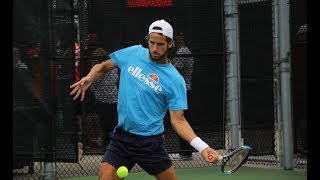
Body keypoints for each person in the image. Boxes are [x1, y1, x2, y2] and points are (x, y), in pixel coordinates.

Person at [70, 19, 220, 180]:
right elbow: (103, 66)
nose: (155, 49)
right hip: (122, 138)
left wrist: (203, 147)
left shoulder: (175, 80)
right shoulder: (133, 53)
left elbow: (179, 121)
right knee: (106, 176)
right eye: (152, 42)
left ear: (170, 44)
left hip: (150, 143)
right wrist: (89, 78)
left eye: (160, 44)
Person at [170, 32, 195, 160]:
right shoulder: (183, 50)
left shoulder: (183, 51)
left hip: (183, 91)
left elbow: (175, 69)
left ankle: (185, 153)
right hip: (183, 91)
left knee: (181, 121)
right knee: (181, 120)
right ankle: (185, 152)